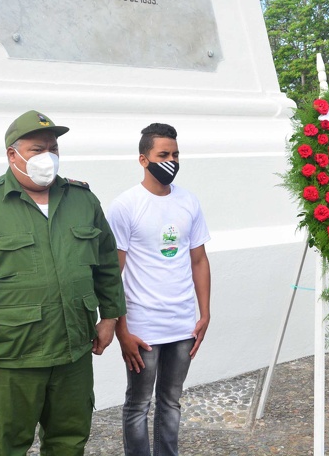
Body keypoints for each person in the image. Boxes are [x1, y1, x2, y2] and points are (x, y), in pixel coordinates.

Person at [0, 110, 126, 455]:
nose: (48, 158)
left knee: (69, 441)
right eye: (37, 150)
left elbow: (106, 264)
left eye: (53, 149)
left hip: (73, 353)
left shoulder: (82, 200)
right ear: (13, 154)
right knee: (6, 445)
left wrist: (110, 317)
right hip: (11, 359)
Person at [107, 123, 211, 456]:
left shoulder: (188, 202)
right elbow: (113, 273)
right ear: (143, 159)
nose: (171, 161)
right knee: (138, 404)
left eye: (175, 154)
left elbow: (198, 260)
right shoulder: (125, 205)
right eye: (163, 155)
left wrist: (205, 313)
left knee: (171, 401)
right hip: (143, 328)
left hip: (182, 325)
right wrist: (121, 329)